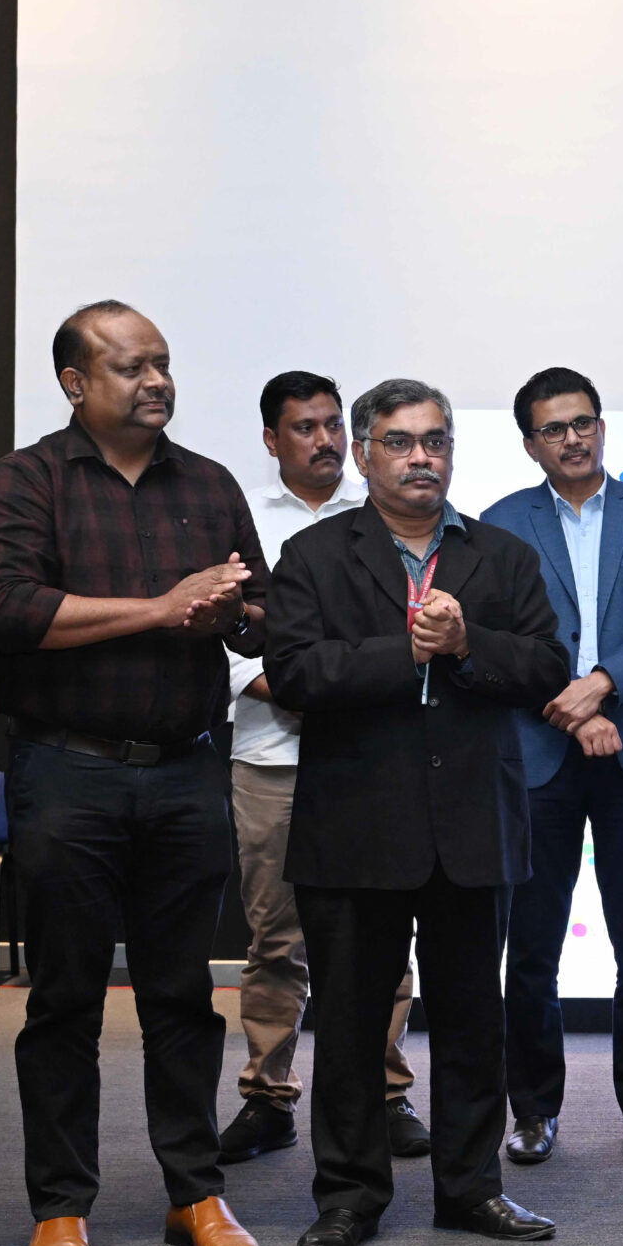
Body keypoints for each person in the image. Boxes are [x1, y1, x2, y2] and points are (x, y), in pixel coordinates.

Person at [0, 301, 271, 1246]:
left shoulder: (210, 483)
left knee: (184, 994)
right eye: (132, 366)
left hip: (187, 769)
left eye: (163, 364)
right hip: (70, 771)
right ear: (75, 382)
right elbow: (6, 611)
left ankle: (195, 1192)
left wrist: (232, 614)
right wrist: (161, 607)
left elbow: (260, 615)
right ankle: (61, 1206)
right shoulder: (26, 481)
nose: (156, 382)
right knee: (63, 998)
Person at [264, 379, 572, 1246]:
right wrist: (406, 651)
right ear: (364, 454)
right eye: (400, 442)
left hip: (473, 827)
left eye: (436, 441)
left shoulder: (502, 556)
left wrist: (468, 646)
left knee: (474, 1024)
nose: (421, 458)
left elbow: (547, 667)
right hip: (354, 830)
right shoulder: (315, 553)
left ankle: (471, 1190)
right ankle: (349, 1198)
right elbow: (296, 673)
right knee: (351, 1027)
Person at [484, 367, 623, 1167]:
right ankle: (533, 1111)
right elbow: (499, 646)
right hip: (539, 754)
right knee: (532, 944)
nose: (572, 439)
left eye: (584, 423)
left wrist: (600, 686)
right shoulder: (501, 524)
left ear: (602, 427)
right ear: (529, 443)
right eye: (554, 429)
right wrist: (571, 710)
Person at [217, 371, 428, 1168]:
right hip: (271, 757)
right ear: (271, 440)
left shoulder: (384, 515)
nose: (326, 440)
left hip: (373, 757)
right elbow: (229, 642)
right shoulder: (241, 521)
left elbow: (404, 640)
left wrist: (339, 690)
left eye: (335, 425)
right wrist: (309, 687)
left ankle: (388, 1093)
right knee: (275, 939)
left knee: (386, 936)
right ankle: (268, 1097)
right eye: (305, 427)